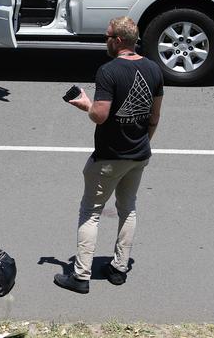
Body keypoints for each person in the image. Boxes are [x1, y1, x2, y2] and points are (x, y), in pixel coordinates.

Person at [54, 17, 163, 294]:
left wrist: (85, 104)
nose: (105, 40)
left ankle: (80, 276)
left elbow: (100, 116)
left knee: (91, 212)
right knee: (128, 208)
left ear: (117, 41)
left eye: (106, 36)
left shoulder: (108, 71)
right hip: (139, 155)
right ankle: (118, 268)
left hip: (108, 157)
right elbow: (154, 117)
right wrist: (140, 145)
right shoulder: (153, 69)